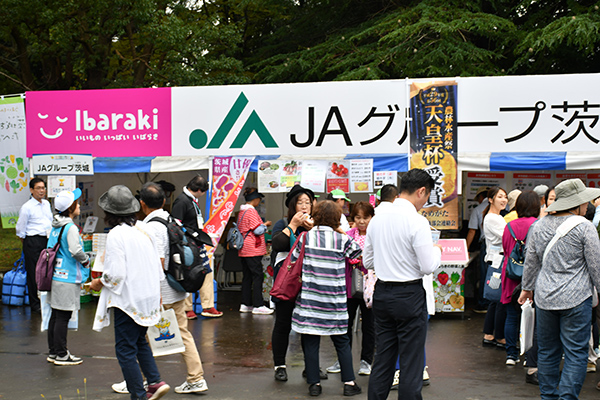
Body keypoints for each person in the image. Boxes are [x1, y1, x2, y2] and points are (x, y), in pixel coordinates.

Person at [109, 182, 208, 395]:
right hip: (178, 286)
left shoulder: (148, 227)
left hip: (160, 290)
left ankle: (139, 379)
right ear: (164, 201)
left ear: (142, 203)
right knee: (180, 333)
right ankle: (195, 377)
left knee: (141, 337)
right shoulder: (171, 220)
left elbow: (158, 262)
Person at [364, 168, 442, 400]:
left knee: (384, 359)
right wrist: (437, 251)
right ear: (420, 191)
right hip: (409, 294)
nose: (425, 202)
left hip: (383, 294)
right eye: (426, 196)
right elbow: (428, 266)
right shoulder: (417, 222)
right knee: (411, 362)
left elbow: (367, 260)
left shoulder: (377, 219)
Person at [519, 178, 600, 399]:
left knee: (547, 351)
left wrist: (526, 288)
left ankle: (548, 397)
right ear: (577, 203)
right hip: (577, 298)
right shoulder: (585, 227)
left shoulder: (538, 226)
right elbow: (596, 266)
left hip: (545, 298)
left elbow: (531, 262)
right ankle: (567, 397)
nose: (587, 205)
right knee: (575, 353)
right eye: (584, 201)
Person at [90, 185, 170, 400]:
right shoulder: (145, 228)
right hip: (148, 295)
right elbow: (158, 265)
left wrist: (98, 282)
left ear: (109, 213)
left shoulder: (116, 235)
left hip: (129, 299)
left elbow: (115, 275)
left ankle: (138, 394)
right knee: (139, 341)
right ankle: (154, 381)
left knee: (125, 349)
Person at [291, 200, 363, 397]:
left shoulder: (305, 237)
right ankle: (349, 383)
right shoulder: (343, 240)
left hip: (310, 301)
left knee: (311, 341)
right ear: (337, 219)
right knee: (342, 341)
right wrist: (340, 232)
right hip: (335, 302)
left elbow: (294, 259)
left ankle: (314, 384)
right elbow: (358, 253)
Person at [270, 185, 318, 382]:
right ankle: (280, 365)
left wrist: (314, 228)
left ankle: (311, 367)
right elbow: (278, 244)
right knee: (283, 323)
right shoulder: (283, 223)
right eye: (301, 202)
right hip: (287, 281)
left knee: (309, 325)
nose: (305, 206)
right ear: (292, 205)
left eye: (308, 202)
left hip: (310, 280)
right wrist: (294, 226)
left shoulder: (316, 225)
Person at [327, 201, 375, 377]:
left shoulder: (376, 235)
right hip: (348, 284)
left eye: (366, 217)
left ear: (372, 218)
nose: (362, 221)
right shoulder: (346, 234)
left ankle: (366, 361)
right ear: (352, 218)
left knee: (369, 326)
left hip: (370, 286)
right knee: (344, 324)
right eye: (358, 217)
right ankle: (342, 359)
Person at [46, 188, 90, 366]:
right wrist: (86, 261)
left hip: (56, 276)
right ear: (71, 207)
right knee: (62, 317)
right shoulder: (70, 227)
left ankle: (54, 352)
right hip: (68, 277)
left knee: (56, 316)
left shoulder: (56, 225)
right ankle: (62, 354)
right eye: (76, 203)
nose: (79, 205)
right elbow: (75, 250)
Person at [172, 175, 222, 319]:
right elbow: (176, 224)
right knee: (187, 274)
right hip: (186, 244)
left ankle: (208, 305)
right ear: (199, 190)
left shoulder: (192, 200)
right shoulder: (181, 201)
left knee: (206, 272)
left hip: (197, 243)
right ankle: (187, 308)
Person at [500, 191, 539, 366]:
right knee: (533, 318)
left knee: (511, 316)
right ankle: (529, 357)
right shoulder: (538, 225)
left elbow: (506, 250)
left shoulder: (508, 226)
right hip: (533, 276)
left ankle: (511, 354)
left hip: (511, 275)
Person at [15, 177, 53, 312]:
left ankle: (47, 301)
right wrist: (27, 242)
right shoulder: (27, 207)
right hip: (32, 241)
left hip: (46, 240)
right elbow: (20, 229)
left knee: (47, 271)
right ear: (31, 190)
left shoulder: (46, 204)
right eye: (38, 188)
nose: (42, 191)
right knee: (33, 273)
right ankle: (35, 304)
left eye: (43, 188)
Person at [237, 187, 273, 315]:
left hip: (244, 249)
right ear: (255, 199)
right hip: (252, 248)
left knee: (247, 277)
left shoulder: (241, 211)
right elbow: (257, 230)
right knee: (257, 276)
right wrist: (266, 225)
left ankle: (245, 304)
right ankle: (258, 304)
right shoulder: (251, 212)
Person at [482, 187, 508, 349]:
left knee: (495, 300)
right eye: (500, 197)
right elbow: (508, 235)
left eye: (505, 197)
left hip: (496, 261)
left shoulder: (497, 217)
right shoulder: (492, 218)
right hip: (497, 262)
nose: (504, 200)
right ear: (491, 199)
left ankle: (489, 334)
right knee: (499, 300)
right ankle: (499, 336)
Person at [465, 186, 489, 313]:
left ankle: (483, 303)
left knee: (484, 274)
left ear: (480, 197)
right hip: (501, 244)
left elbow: (472, 231)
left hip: (486, 244)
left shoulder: (478, 209)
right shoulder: (504, 207)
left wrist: (465, 249)